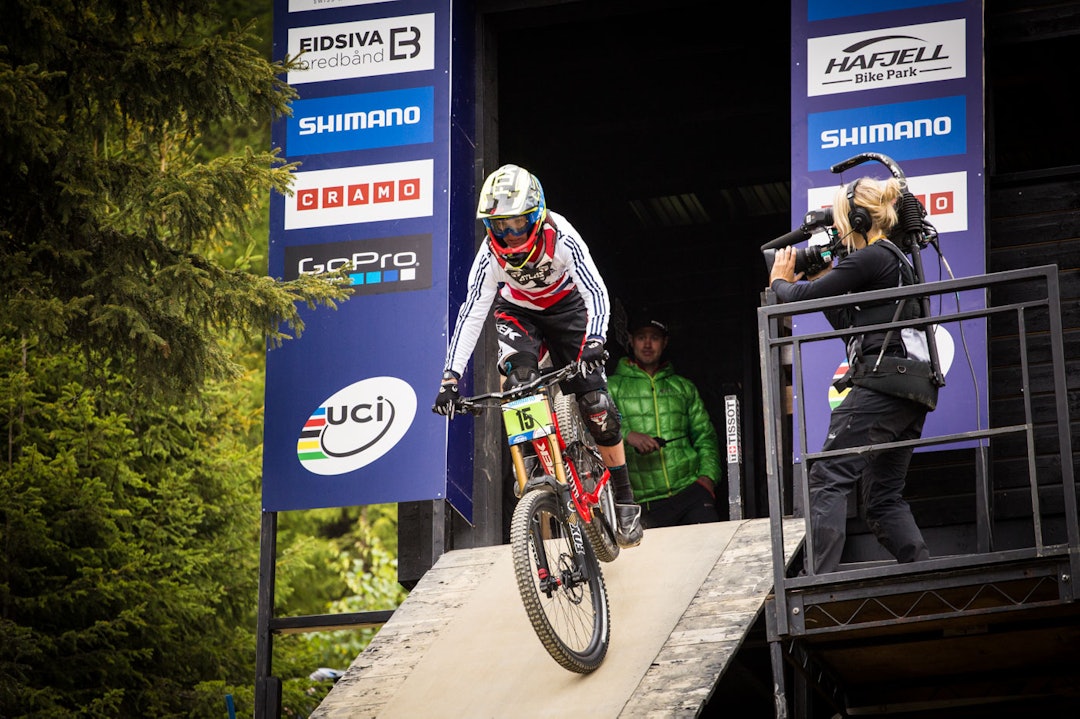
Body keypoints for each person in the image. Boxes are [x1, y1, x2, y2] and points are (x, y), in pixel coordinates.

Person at [432, 163, 643, 548]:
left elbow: (596, 290)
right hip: (519, 314)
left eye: (517, 225)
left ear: (537, 216)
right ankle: (532, 464)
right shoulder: (488, 258)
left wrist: (595, 339)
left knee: (597, 406)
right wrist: (450, 378)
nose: (510, 237)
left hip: (568, 309)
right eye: (500, 227)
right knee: (518, 383)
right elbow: (471, 314)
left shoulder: (562, 236)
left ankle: (626, 500)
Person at [768, 176, 937, 574]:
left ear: (858, 220)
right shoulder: (892, 258)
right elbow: (848, 321)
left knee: (827, 477)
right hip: (910, 389)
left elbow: (796, 299)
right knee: (882, 500)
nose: (838, 233)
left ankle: (816, 583)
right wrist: (814, 279)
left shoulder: (872, 256)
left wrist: (779, 279)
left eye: (841, 223)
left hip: (882, 382)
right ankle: (923, 571)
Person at [607, 315, 723, 528]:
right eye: (641, 337)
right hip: (641, 503)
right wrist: (627, 435)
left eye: (655, 338)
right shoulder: (611, 387)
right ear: (630, 340)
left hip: (690, 492)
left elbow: (705, 437)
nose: (648, 344)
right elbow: (591, 429)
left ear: (665, 342)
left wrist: (707, 479)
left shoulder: (683, 386)